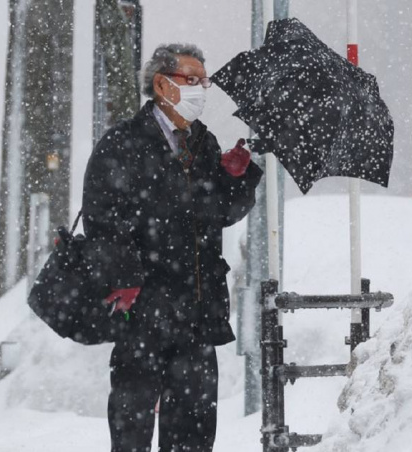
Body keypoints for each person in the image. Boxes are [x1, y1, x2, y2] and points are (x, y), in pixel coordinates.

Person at [83, 43, 263, 451]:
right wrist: (125, 278)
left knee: (194, 434)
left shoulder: (203, 144)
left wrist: (237, 176)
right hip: (142, 314)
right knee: (132, 429)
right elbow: (102, 220)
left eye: (205, 80)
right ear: (163, 84)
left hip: (197, 314)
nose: (202, 88)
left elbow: (222, 212)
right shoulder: (123, 144)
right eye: (192, 79)